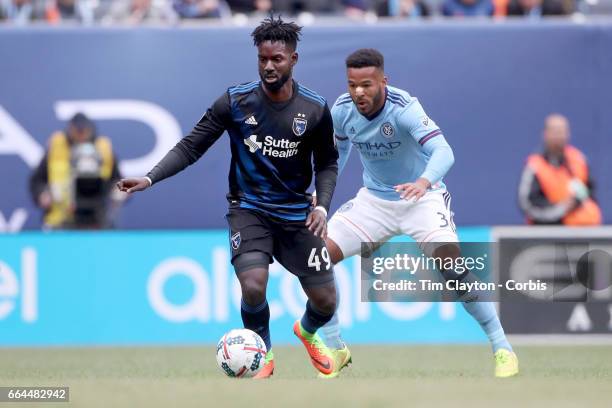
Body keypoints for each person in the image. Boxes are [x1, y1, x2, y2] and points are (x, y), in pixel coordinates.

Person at [117, 16, 345, 379]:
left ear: (294, 60)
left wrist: (321, 205)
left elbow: (328, 163)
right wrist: (150, 177)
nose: (269, 66)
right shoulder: (236, 101)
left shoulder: (315, 109)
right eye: (263, 59)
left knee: (326, 302)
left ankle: (307, 329)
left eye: (277, 59)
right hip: (249, 209)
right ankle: (263, 356)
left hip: (298, 214)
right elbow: (192, 145)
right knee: (253, 285)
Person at [318, 48, 518, 378]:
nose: (359, 93)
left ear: (384, 81)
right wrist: (320, 196)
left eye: (367, 84)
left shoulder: (405, 108)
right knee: (318, 258)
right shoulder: (341, 111)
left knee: (451, 266)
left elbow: (444, 151)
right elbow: (336, 154)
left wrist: (424, 182)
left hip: (422, 198)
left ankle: (503, 349)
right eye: (352, 85)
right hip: (374, 202)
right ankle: (336, 348)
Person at [30, 113, 125, 230]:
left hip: (98, 219)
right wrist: (43, 194)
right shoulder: (56, 146)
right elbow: (37, 180)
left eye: (84, 131)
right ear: (70, 129)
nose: (81, 135)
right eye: (77, 131)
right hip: (60, 219)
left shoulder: (104, 148)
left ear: (90, 129)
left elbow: (117, 180)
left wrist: (119, 190)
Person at [518, 114, 602, 225]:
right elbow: (527, 204)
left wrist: (578, 202)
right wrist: (562, 209)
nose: (559, 136)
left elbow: (590, 191)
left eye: (562, 131)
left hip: (584, 231)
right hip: (549, 233)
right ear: (545, 134)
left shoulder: (578, 159)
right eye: (555, 131)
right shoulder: (535, 165)